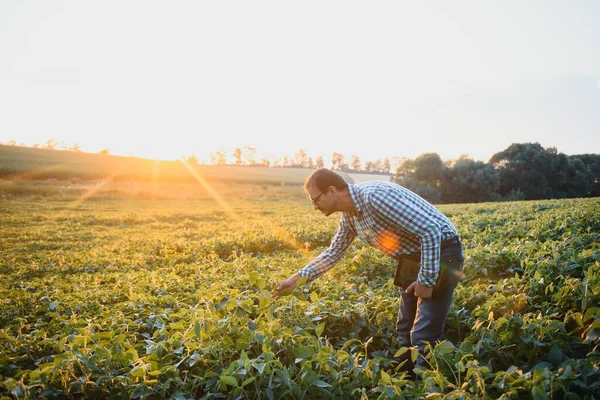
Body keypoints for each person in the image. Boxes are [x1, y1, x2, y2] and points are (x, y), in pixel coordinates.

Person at [273, 168, 464, 374]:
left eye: (315, 200)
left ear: (331, 191)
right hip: (411, 258)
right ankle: (406, 379)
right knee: (404, 327)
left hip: (442, 250)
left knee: (422, 334)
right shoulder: (349, 217)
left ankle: (427, 388)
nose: (314, 206)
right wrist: (295, 280)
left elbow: (431, 230)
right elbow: (333, 253)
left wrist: (426, 281)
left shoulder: (374, 197)